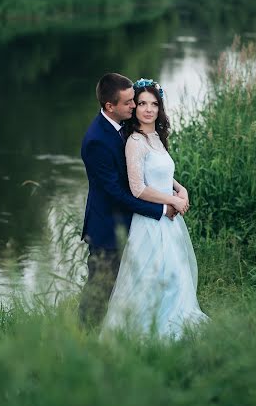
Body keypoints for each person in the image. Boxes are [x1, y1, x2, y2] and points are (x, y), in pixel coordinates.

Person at [100, 78, 209, 340]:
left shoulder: (157, 138)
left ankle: (176, 323)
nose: (148, 109)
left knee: (175, 275)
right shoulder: (134, 142)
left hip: (169, 222)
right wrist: (171, 201)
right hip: (149, 223)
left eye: (154, 104)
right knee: (150, 279)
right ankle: (145, 333)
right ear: (134, 108)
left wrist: (180, 189)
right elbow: (138, 188)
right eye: (142, 104)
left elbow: (161, 173)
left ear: (160, 108)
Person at [79, 73, 177, 327]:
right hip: (108, 228)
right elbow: (118, 194)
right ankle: (83, 340)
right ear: (109, 106)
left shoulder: (123, 127)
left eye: (135, 100)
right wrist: (161, 209)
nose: (135, 106)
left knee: (128, 287)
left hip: (132, 225)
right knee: (100, 289)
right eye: (129, 103)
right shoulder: (96, 141)